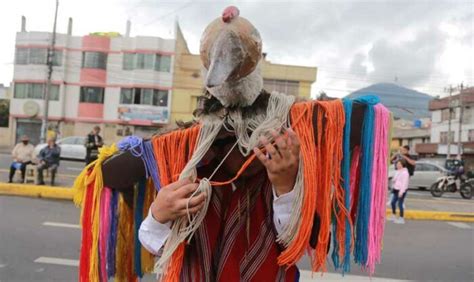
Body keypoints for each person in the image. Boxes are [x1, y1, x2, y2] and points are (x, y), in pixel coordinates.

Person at [388, 160, 410, 224]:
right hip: (396, 189)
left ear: (403, 164)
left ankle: (401, 218)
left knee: (400, 204)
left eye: (399, 164)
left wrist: (401, 192)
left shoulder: (405, 173)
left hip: (401, 190)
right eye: (397, 164)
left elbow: (404, 183)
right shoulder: (397, 171)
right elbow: (395, 179)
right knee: (393, 203)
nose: (398, 165)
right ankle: (393, 215)